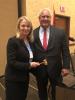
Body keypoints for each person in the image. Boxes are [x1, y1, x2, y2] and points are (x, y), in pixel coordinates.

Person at [33, 8, 70, 100]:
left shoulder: (60, 32)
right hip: (40, 69)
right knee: (42, 91)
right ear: (39, 18)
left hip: (56, 69)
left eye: (47, 17)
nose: (45, 18)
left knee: (56, 91)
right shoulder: (33, 33)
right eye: (43, 16)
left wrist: (66, 66)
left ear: (51, 18)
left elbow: (65, 50)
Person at [5, 16, 40, 100]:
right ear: (18, 27)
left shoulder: (30, 42)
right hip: (14, 79)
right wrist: (29, 65)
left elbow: (30, 59)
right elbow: (12, 62)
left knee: (22, 97)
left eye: (28, 26)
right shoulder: (12, 41)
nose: (26, 28)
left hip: (24, 78)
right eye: (23, 26)